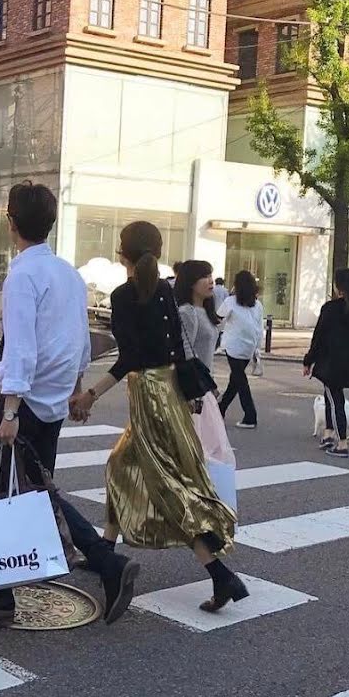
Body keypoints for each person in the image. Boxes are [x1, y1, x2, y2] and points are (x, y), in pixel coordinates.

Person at [0, 182, 139, 625]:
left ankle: (0, 592)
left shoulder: (23, 276)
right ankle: (97, 563)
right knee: (34, 495)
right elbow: (80, 340)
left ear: (11, 223)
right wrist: (76, 388)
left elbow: (20, 349)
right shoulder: (67, 274)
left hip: (26, 401)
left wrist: (9, 411)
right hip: (53, 402)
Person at [69, 222, 246, 613]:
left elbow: (129, 358)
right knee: (120, 465)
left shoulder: (123, 295)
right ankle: (104, 550)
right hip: (170, 391)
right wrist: (192, 393)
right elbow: (179, 348)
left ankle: (220, 573)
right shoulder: (164, 289)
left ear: (124, 254)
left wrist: (90, 395)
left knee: (169, 485)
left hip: (149, 394)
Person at [304, 268, 349, 458]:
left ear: (338, 287)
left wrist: (308, 360)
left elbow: (318, 339)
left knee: (335, 400)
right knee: (330, 396)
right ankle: (328, 433)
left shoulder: (330, 309)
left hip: (332, 364)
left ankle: (341, 443)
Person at [217, 270, 263, 429]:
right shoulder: (257, 305)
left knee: (239, 380)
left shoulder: (230, 302)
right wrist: (257, 348)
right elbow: (260, 328)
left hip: (233, 346)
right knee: (236, 379)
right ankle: (221, 409)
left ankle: (250, 415)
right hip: (249, 346)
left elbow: (218, 317)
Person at [176, 261, 220, 373]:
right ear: (191, 282)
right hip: (196, 379)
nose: (211, 281)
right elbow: (186, 351)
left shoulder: (206, 311)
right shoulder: (187, 312)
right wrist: (200, 378)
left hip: (206, 377)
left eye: (210, 276)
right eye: (205, 276)